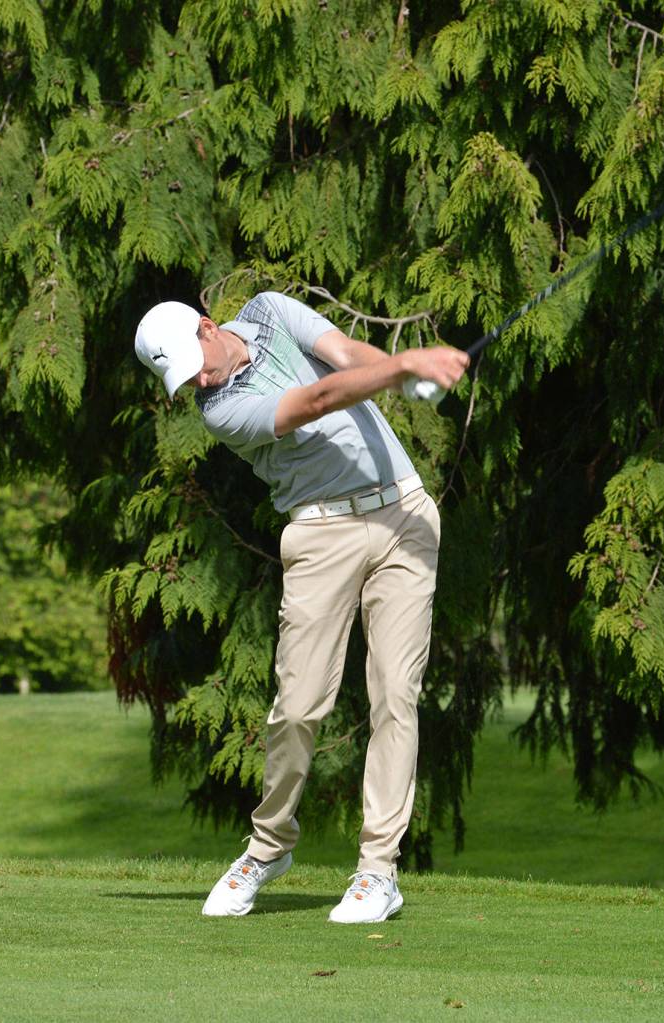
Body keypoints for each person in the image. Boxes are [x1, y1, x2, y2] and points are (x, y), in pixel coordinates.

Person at [134, 291, 469, 923]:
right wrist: (404, 368)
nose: (198, 382)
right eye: (183, 380)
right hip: (321, 535)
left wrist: (402, 374)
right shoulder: (222, 411)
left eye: (195, 363)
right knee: (298, 704)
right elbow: (317, 399)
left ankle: (378, 872)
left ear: (208, 328)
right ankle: (268, 847)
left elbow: (345, 357)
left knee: (396, 693)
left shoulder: (267, 312)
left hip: (406, 514)